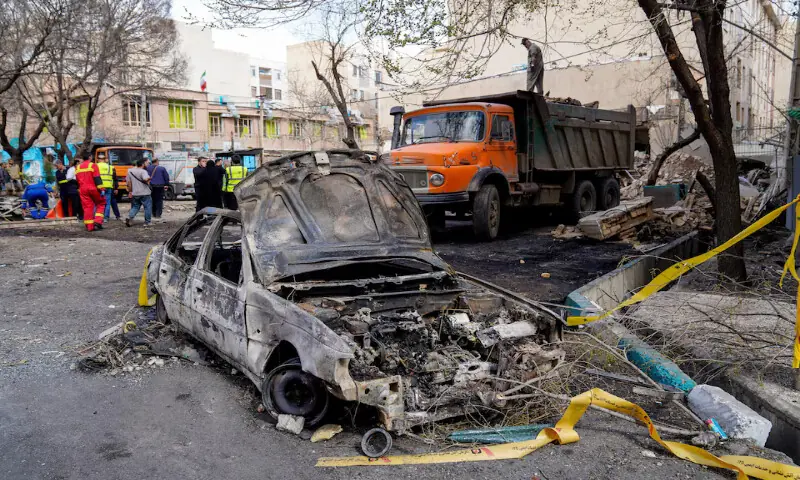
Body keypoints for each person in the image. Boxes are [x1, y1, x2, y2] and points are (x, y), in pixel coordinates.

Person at [74, 152, 107, 231]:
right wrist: (101, 189)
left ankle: (89, 226)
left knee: (87, 207)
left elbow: (77, 180)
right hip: (92, 188)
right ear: (90, 157)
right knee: (101, 203)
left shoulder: (77, 167)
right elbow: (97, 178)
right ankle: (98, 221)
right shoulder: (93, 165)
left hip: (83, 189)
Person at [125, 158, 152, 227]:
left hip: (135, 193)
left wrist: (130, 191)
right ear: (143, 164)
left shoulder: (130, 171)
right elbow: (146, 179)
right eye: (147, 163)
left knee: (135, 206)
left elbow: (128, 182)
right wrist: (149, 178)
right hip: (145, 193)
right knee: (147, 207)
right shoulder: (143, 172)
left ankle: (130, 217)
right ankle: (147, 222)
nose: (148, 164)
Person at [96, 151, 121, 221]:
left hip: (99, 187)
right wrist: (116, 188)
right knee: (107, 203)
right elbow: (115, 178)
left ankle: (98, 217)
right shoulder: (111, 167)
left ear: (98, 159)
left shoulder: (95, 166)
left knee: (98, 202)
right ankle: (106, 218)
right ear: (105, 159)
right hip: (109, 186)